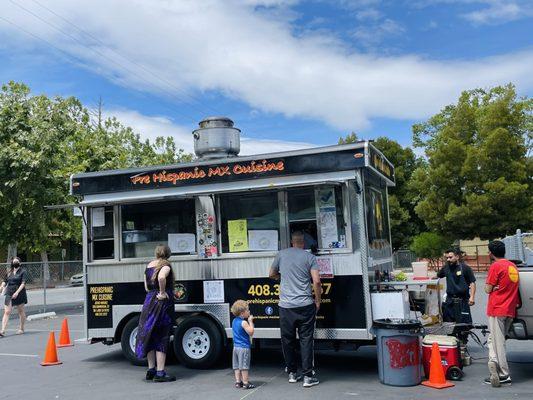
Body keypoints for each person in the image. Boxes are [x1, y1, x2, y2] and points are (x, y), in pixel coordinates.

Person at [269, 231, 321, 388]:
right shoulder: (310, 258)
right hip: (305, 305)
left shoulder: (281, 254)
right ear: (303, 243)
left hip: (285, 306)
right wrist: (317, 301)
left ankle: (292, 373)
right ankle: (307, 376)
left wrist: (282, 277)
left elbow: (271, 274)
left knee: (288, 340)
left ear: (292, 242)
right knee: (306, 340)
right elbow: (317, 282)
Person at [135, 245, 176, 382]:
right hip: (161, 304)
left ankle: (151, 370)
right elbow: (161, 278)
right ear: (168, 254)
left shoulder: (149, 266)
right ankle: (160, 373)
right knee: (161, 336)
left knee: (150, 336)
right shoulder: (165, 266)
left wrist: (153, 293)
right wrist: (163, 292)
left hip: (148, 302)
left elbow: (146, 286)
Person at [484, 240, 520, 388]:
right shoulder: (513, 266)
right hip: (509, 309)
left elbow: (487, 289)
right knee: (493, 339)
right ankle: (494, 361)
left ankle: (504, 375)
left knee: (498, 343)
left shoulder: (495, 266)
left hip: (497, 308)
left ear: (491, 253)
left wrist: (494, 288)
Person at [437, 248, 476, 323]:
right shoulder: (446, 268)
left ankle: (463, 334)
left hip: (463, 300)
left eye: (450, 257)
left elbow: (472, 282)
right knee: (449, 326)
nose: (448, 259)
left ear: (457, 257)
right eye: (447, 258)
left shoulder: (465, 268)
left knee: (464, 326)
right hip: (449, 300)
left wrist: (472, 297)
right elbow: (438, 275)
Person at [230, 300, 255, 390]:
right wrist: (250, 321)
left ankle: (238, 382)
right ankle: (245, 383)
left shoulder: (234, 321)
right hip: (244, 347)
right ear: (242, 313)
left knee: (236, 366)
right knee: (244, 366)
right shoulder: (243, 322)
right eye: (247, 310)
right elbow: (251, 332)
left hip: (236, 347)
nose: (249, 312)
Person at [0, 257, 28, 337]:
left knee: (20, 311)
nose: (15, 263)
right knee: (7, 311)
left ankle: (21, 328)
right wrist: (2, 286)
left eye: (17, 262)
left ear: (20, 263)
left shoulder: (23, 271)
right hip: (9, 293)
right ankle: (2, 330)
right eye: (14, 262)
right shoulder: (9, 272)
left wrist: (17, 292)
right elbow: (5, 281)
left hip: (19, 293)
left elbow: (23, 283)